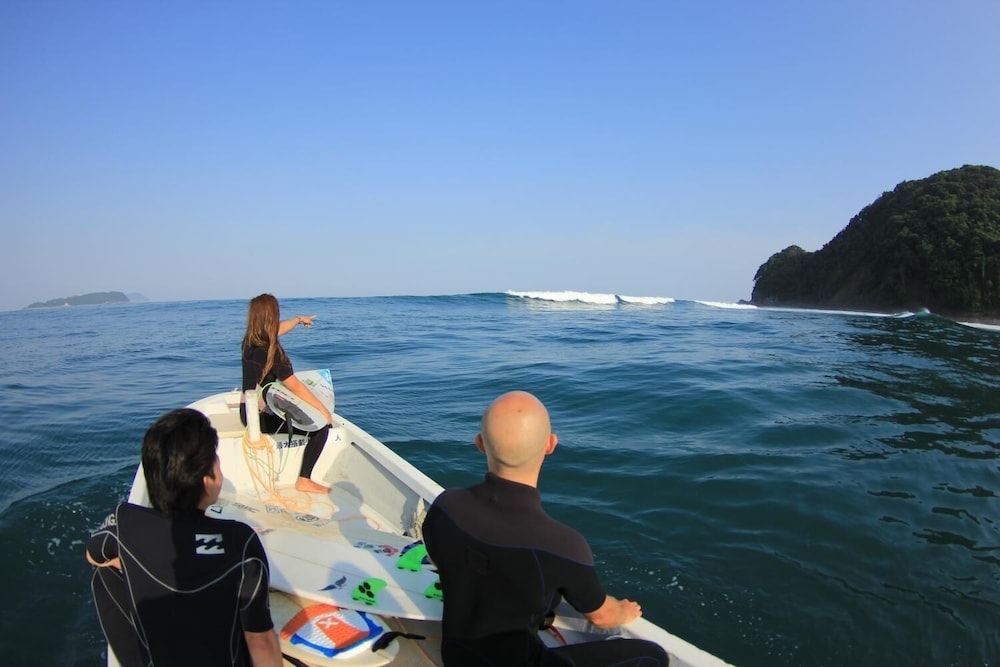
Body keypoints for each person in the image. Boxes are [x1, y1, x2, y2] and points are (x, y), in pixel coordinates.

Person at [422, 391, 670, 667]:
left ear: (480, 444)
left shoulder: (446, 505)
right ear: (551, 445)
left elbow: (438, 559)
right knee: (653, 656)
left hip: (457, 656)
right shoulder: (563, 544)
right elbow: (601, 616)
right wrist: (622, 612)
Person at [86, 409, 281, 667]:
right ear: (206, 480)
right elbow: (260, 642)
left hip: (157, 656)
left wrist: (141, 561)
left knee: (104, 575)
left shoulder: (123, 521)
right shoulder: (241, 540)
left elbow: (93, 555)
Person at [240, 293, 333, 493]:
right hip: (259, 418)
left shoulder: (250, 340)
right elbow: (296, 386)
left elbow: (279, 329)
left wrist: (299, 320)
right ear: (272, 316)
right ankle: (304, 480)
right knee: (321, 428)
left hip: (246, 411)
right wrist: (324, 412)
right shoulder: (272, 351)